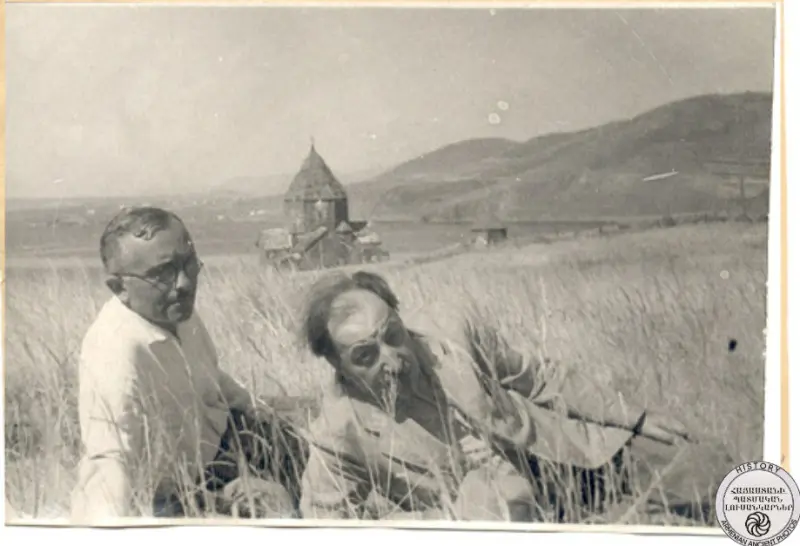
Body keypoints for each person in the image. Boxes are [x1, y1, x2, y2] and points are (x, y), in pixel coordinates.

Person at [296, 270, 733, 523]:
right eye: (365, 355)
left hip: (569, 460)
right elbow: (326, 526)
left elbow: (538, 379)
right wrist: (447, 517)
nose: (392, 359)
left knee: (711, 470)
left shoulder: (454, 333)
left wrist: (633, 417)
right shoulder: (338, 433)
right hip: (498, 515)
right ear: (339, 367)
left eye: (392, 334)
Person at [70, 206, 305, 523]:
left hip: (221, 451)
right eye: (162, 274)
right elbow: (109, 459)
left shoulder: (177, 312)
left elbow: (210, 377)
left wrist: (260, 411)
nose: (183, 283)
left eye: (188, 264)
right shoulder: (116, 353)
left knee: (313, 457)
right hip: (175, 496)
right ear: (120, 288)